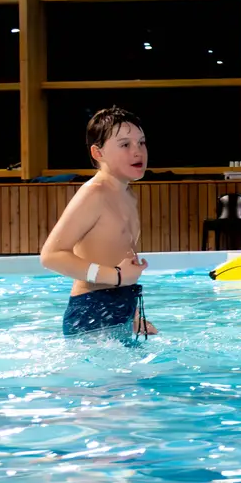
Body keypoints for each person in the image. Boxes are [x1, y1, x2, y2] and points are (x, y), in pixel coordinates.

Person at [38, 106, 157, 338]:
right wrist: (117, 276)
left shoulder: (126, 195)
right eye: (125, 144)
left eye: (141, 143)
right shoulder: (94, 193)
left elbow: (117, 255)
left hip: (121, 306)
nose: (138, 151)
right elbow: (50, 255)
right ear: (97, 153)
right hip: (91, 310)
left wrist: (132, 315)